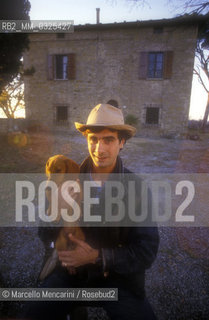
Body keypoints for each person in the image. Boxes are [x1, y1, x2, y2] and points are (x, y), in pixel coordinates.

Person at [24, 103, 159, 320]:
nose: (99, 149)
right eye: (93, 140)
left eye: (108, 139)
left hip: (118, 279)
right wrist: (54, 213)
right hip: (71, 275)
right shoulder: (67, 178)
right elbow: (44, 234)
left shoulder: (137, 188)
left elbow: (146, 251)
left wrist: (97, 256)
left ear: (121, 142)